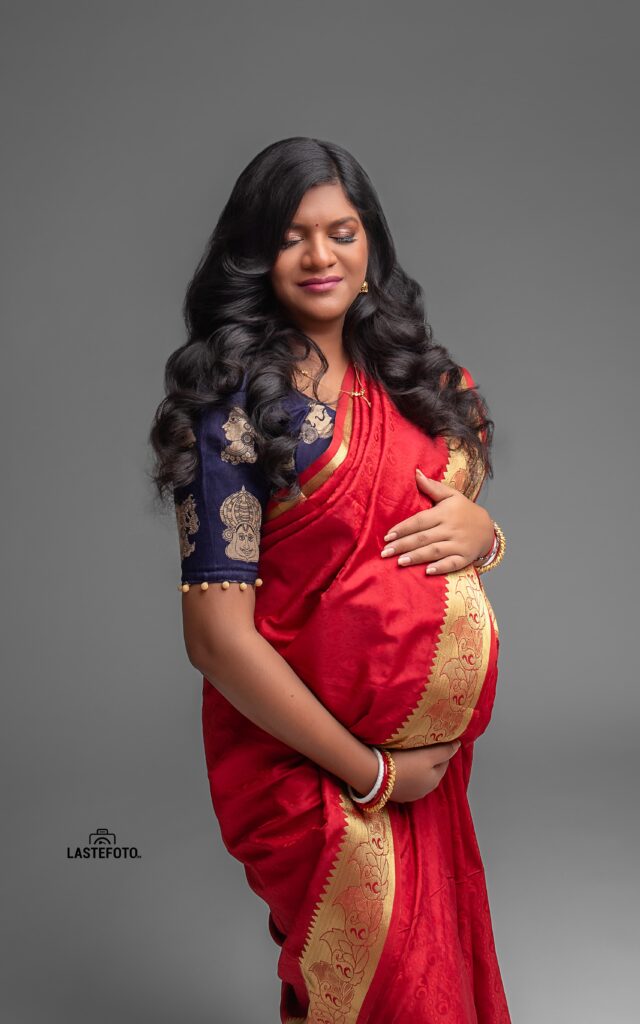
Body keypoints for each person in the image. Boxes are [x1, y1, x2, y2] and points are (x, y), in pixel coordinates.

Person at [149, 136, 510, 1023]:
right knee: (376, 985)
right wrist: (372, 774)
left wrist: (484, 533)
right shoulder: (232, 410)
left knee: (426, 978)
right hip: (306, 765)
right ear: (255, 253)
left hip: (423, 768)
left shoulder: (412, 378)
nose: (320, 257)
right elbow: (216, 639)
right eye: (291, 236)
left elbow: (444, 505)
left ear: (369, 243)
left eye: (341, 231)